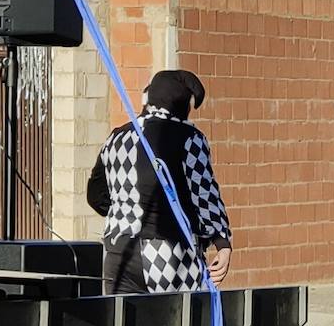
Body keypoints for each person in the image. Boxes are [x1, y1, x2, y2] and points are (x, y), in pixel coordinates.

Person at [87, 70, 232, 293]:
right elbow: (204, 194)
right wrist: (222, 242)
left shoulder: (117, 137)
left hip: (118, 252)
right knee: (181, 322)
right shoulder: (189, 137)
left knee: (121, 324)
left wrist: (126, 214)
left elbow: (96, 196)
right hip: (168, 252)